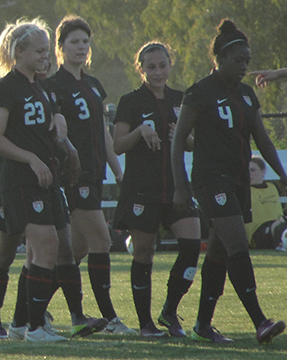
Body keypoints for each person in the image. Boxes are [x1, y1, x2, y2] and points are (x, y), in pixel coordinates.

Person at [172, 19, 286, 344]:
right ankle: (261, 321)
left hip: (237, 182)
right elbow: (179, 139)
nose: (244, 66)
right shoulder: (199, 92)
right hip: (211, 181)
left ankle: (202, 325)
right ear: (219, 59)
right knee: (238, 244)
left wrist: (282, 174)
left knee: (219, 254)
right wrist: (181, 184)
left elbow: (262, 140)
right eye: (238, 61)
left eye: (247, 61)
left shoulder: (247, 95)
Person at [0, 18, 78, 342]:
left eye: (46, 49)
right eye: (38, 50)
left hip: (46, 179)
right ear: (19, 51)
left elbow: (51, 119)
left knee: (49, 249)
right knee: (42, 247)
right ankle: (35, 327)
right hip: (20, 180)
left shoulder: (42, 86)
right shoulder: (5, 89)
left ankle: (22, 324)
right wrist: (32, 158)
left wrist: (60, 123)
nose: (45, 55)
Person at [46, 15, 133, 335]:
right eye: (74, 42)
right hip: (73, 175)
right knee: (101, 237)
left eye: (85, 41)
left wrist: (118, 171)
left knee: (78, 249)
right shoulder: (53, 85)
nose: (81, 47)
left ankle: (34, 309)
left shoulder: (95, 85)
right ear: (60, 48)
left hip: (95, 173)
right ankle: (109, 318)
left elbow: (104, 133)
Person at [112, 41, 201, 338]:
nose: (157, 71)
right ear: (140, 69)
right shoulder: (130, 101)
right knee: (144, 253)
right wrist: (140, 131)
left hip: (177, 188)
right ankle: (145, 324)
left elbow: (193, 143)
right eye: (151, 67)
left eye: (162, 65)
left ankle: (170, 310)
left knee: (191, 245)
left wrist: (183, 138)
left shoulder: (181, 99)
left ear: (169, 65)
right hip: (142, 190)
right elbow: (117, 144)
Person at [245, 156, 287, 250]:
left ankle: (281, 244)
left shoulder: (273, 187)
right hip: (258, 233)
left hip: (279, 225)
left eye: (253, 170)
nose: (249, 174)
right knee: (279, 227)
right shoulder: (243, 191)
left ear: (263, 171)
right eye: (247, 171)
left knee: (281, 226)